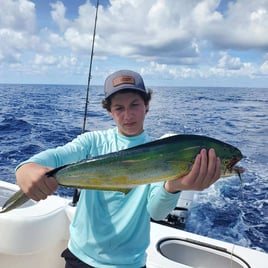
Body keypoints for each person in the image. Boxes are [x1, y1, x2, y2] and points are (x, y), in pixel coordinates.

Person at [16, 70, 221, 268]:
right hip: (80, 257)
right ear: (109, 112)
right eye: (119, 108)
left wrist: (175, 186)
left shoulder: (160, 153)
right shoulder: (93, 142)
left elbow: (157, 212)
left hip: (129, 263)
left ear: (147, 106)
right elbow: (57, 156)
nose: (128, 115)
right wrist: (26, 168)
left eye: (135, 105)